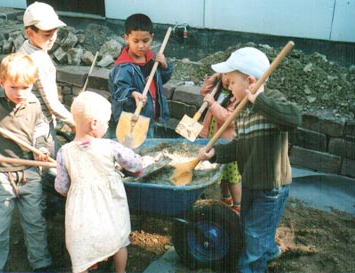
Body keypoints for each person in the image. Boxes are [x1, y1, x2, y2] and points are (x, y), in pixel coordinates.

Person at [198, 47, 302, 272]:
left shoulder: (270, 102)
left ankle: (251, 266)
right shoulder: (242, 111)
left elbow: (294, 118)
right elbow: (239, 146)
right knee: (250, 226)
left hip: (271, 186)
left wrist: (260, 101)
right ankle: (270, 250)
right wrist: (215, 154)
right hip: (252, 182)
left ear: (251, 81)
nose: (229, 89)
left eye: (231, 84)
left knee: (254, 237)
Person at [0, 53, 53, 272]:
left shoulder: (34, 103)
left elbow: (40, 126)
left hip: (30, 174)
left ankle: (41, 264)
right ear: (1, 82)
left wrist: (41, 147)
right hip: (0, 174)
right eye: (14, 87)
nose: (20, 93)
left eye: (26, 87)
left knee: (35, 224)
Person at [54, 91, 143, 273]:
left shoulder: (64, 151)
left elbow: (61, 186)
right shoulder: (109, 146)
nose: (108, 125)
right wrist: (137, 165)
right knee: (119, 241)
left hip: (82, 214)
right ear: (94, 123)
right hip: (110, 208)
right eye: (107, 122)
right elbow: (135, 165)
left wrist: (74, 191)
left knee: (81, 250)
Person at [18, 1, 75, 216]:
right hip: (40, 123)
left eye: (55, 32)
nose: (52, 38)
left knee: (38, 164)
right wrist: (75, 123)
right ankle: (49, 209)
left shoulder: (26, 49)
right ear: (29, 32)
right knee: (51, 165)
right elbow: (52, 104)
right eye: (46, 34)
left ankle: (45, 204)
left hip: (25, 122)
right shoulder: (38, 59)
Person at [108, 13, 173, 137]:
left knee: (149, 143)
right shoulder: (123, 67)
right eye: (135, 41)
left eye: (145, 41)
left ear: (152, 37)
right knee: (134, 147)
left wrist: (165, 66)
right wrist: (133, 93)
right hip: (133, 119)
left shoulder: (153, 60)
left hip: (151, 115)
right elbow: (119, 90)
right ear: (126, 38)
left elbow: (162, 80)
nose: (141, 46)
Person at [199, 70, 242, 214]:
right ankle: (226, 198)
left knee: (232, 177)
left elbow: (228, 120)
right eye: (224, 75)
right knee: (222, 174)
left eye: (230, 78)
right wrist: (215, 77)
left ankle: (238, 205)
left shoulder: (237, 96)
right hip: (212, 137)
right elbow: (204, 90)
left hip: (226, 142)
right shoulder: (218, 89)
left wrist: (213, 104)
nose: (226, 80)